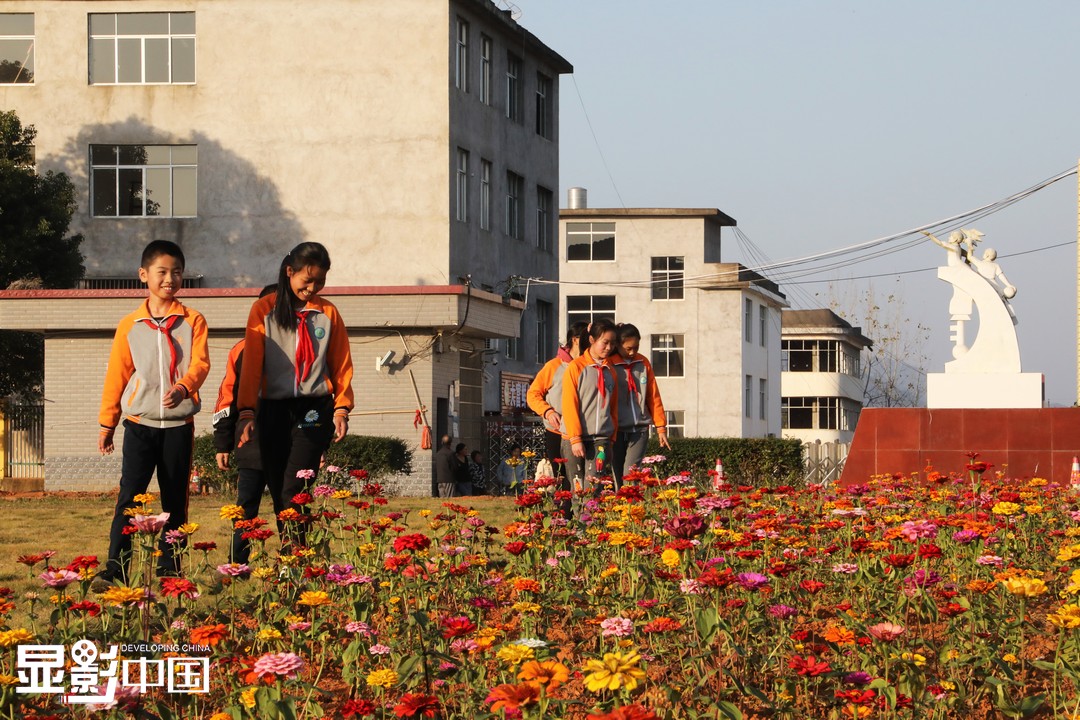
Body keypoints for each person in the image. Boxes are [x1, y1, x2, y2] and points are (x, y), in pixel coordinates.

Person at [95, 240, 210, 586]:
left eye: (177, 272)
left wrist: (184, 387)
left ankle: (170, 568)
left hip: (178, 427)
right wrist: (107, 423)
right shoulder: (130, 325)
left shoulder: (193, 320)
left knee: (175, 499)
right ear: (144, 274)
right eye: (162, 272)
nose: (169, 279)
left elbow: (201, 364)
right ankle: (116, 569)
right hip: (139, 426)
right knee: (129, 498)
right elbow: (117, 376)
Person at [236, 242, 354, 547]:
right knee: (279, 488)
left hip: (314, 408)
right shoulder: (263, 310)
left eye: (321, 282)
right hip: (273, 408)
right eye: (308, 280)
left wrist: (341, 408)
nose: (313, 288)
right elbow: (251, 366)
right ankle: (293, 553)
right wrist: (246, 411)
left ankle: (298, 556)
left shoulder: (328, 313)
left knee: (296, 486)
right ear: (290, 272)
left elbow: (340, 364)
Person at [214, 285, 276, 564]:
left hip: (292, 448)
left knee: (292, 510)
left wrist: (317, 444)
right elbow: (227, 399)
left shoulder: (304, 349)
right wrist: (222, 443)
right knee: (245, 509)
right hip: (251, 446)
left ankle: (296, 565)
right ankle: (237, 565)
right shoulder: (241, 350)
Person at [562, 319, 619, 493]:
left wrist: (612, 438)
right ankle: (578, 512)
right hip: (573, 438)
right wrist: (575, 439)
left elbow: (613, 407)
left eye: (612, 343)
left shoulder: (611, 371)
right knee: (578, 487)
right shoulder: (576, 367)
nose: (609, 348)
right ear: (592, 340)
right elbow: (569, 404)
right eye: (605, 342)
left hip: (601, 439)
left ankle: (590, 512)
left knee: (593, 486)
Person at [610, 323, 670, 485]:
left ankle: (631, 500)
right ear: (617, 345)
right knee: (618, 474)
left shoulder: (643, 363)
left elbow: (653, 395)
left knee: (631, 473)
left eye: (636, 348)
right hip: (616, 430)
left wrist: (661, 427)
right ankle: (620, 501)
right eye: (628, 348)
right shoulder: (609, 364)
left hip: (640, 428)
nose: (632, 352)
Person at [527, 321, 588, 476]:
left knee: (584, 476)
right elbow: (533, 394)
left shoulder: (591, 366)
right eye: (588, 338)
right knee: (562, 476)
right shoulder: (553, 366)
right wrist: (548, 412)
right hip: (556, 430)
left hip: (585, 430)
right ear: (575, 340)